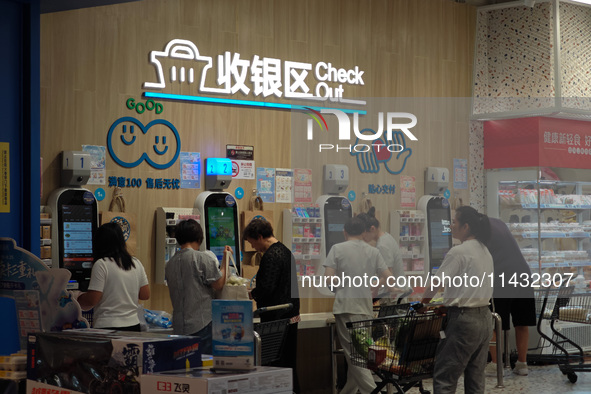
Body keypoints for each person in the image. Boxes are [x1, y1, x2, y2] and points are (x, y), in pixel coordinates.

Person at [421, 206, 494, 394]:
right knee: (476, 377)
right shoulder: (485, 250)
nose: (451, 225)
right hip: (485, 318)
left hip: (464, 320)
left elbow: (436, 282)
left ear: (466, 227)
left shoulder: (459, 251)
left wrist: (423, 303)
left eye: (454, 222)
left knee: (446, 376)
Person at [323, 216, 399, 394]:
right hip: (366, 310)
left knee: (356, 359)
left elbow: (328, 278)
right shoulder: (373, 251)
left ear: (345, 231)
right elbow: (389, 278)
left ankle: (373, 392)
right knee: (358, 356)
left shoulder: (337, 249)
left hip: (346, 308)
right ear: (364, 232)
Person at [243, 218, 301, 393]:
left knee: (275, 363)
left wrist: (251, 293)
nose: (253, 247)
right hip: (290, 315)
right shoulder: (285, 251)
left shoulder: (271, 255)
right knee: (288, 363)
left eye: (252, 242)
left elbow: (267, 287)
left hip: (276, 318)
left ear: (260, 236)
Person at [165, 219, 230, 355]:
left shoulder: (170, 263)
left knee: (184, 368)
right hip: (202, 325)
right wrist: (226, 259)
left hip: (178, 327)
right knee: (203, 368)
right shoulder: (201, 259)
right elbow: (218, 284)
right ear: (199, 238)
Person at [485, 217, 536, 376]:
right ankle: (522, 364)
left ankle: (495, 365)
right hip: (523, 273)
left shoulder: (479, 229)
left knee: (495, 322)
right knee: (522, 321)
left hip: (502, 276)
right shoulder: (499, 223)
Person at [77, 222, 150, 331]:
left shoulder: (102, 264)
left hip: (107, 326)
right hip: (133, 325)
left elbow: (92, 300)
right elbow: (145, 294)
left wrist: (76, 297)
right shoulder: (135, 263)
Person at [357, 206, 406, 302]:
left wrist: (373, 287)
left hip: (393, 296)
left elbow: (388, 275)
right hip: (395, 293)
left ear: (372, 229)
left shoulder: (382, 245)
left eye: (363, 233)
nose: (362, 237)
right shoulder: (387, 237)